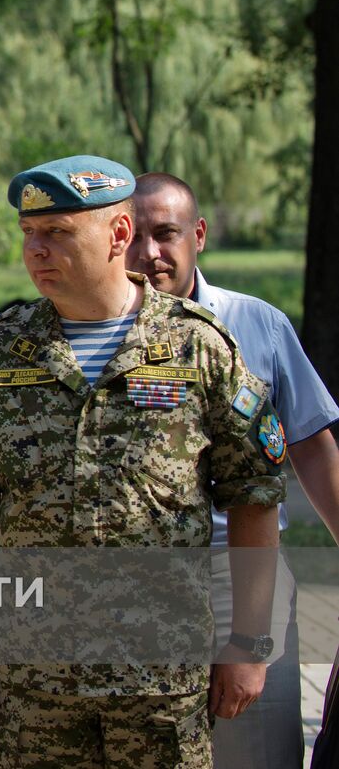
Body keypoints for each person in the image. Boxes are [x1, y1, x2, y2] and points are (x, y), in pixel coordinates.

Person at [0, 155, 287, 768]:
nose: (37, 249)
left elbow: (255, 498)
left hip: (162, 688)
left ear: (119, 234)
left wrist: (249, 643)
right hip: (35, 691)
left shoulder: (198, 348)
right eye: (29, 234)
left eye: (59, 232)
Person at [128, 171, 339, 769]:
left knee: (259, 750)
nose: (149, 252)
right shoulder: (96, 333)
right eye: (135, 235)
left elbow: (312, 447)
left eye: (165, 234)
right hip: (133, 582)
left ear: (198, 235)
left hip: (242, 581)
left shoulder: (259, 326)